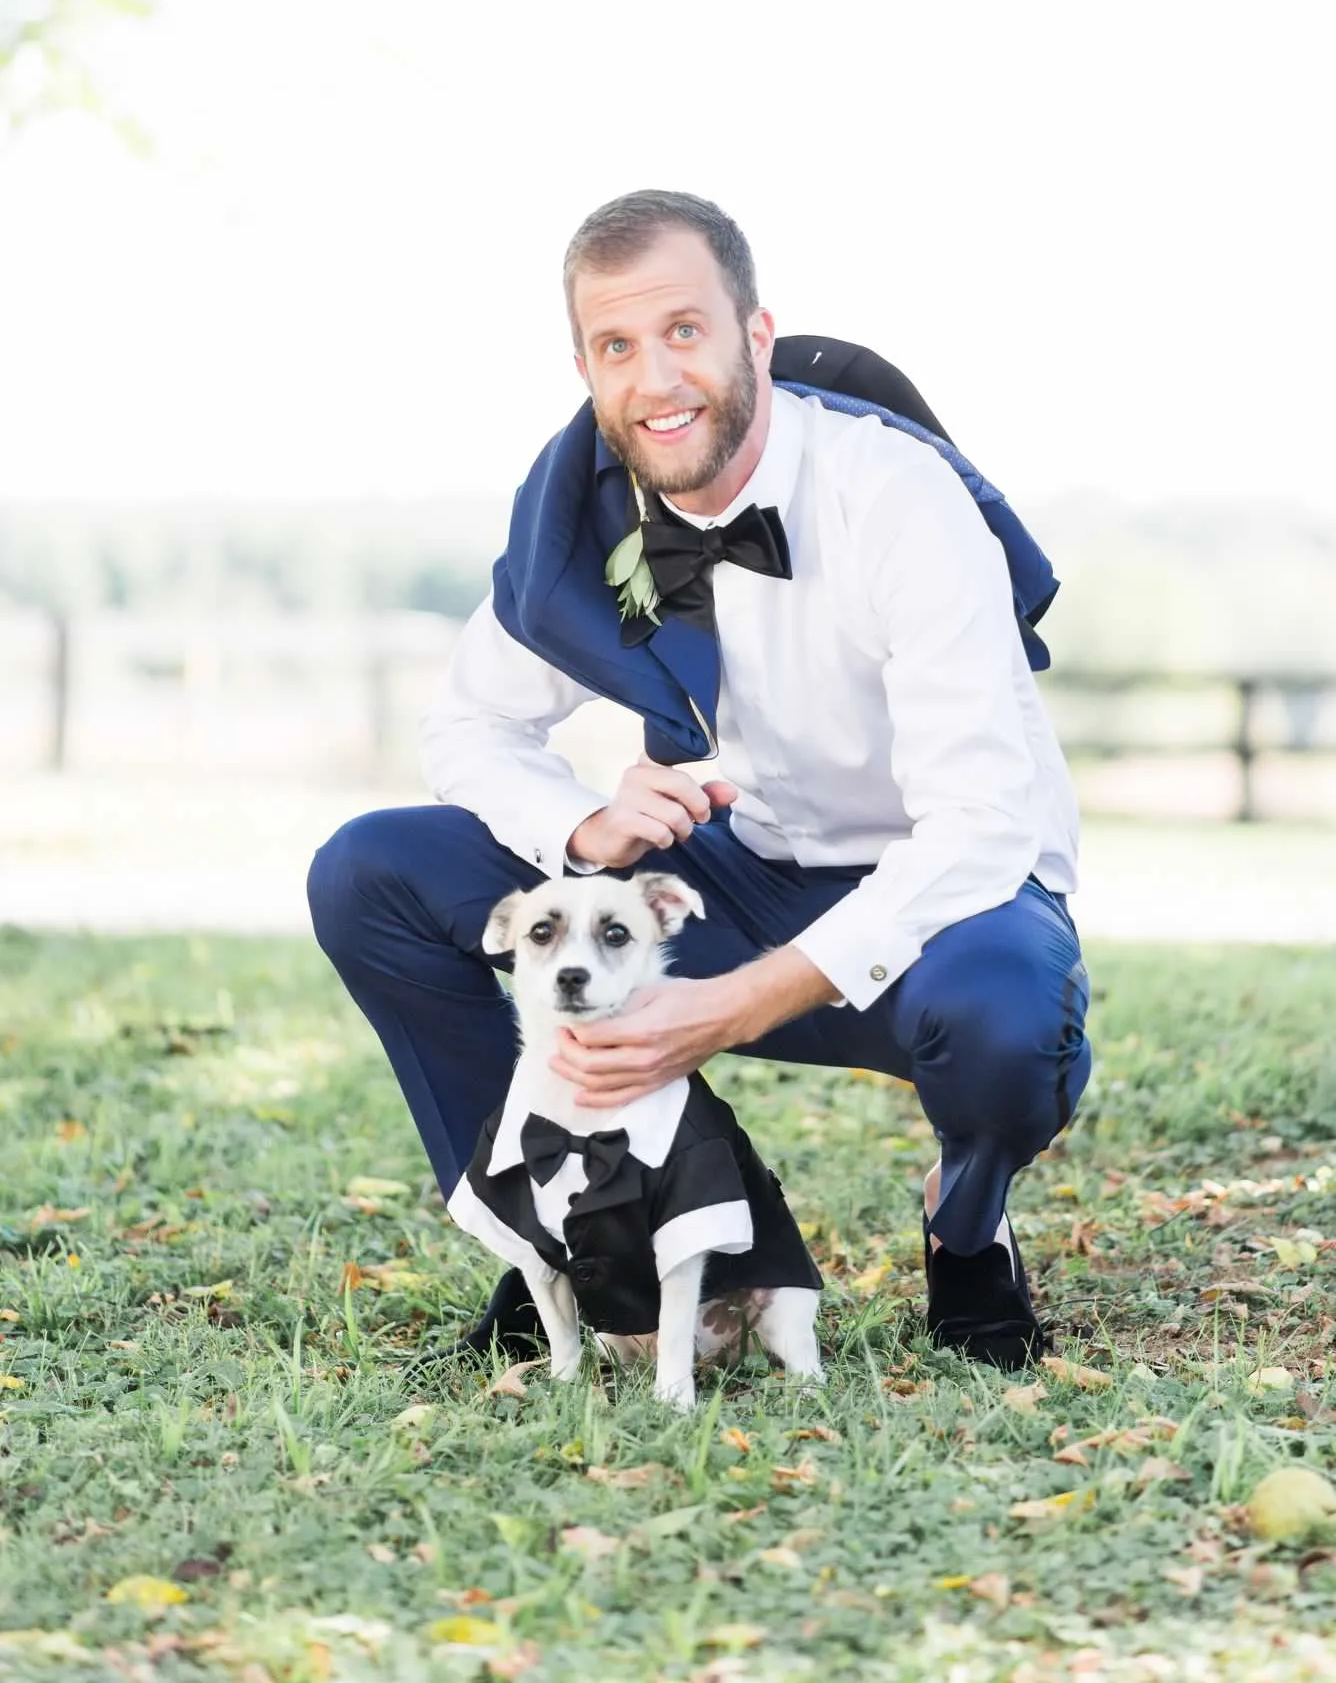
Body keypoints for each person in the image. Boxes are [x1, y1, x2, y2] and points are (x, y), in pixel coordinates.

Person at [307, 189, 1092, 1371]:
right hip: (728, 881)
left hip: (942, 907)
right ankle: (577, 1224)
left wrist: (729, 1008)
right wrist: (583, 822)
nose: (657, 378)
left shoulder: (895, 497)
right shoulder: (587, 520)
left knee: (1008, 1022)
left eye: (684, 330)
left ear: (753, 335)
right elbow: (466, 724)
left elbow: (982, 822)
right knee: (374, 871)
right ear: (584, 367)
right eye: (617, 346)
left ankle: (966, 1224)